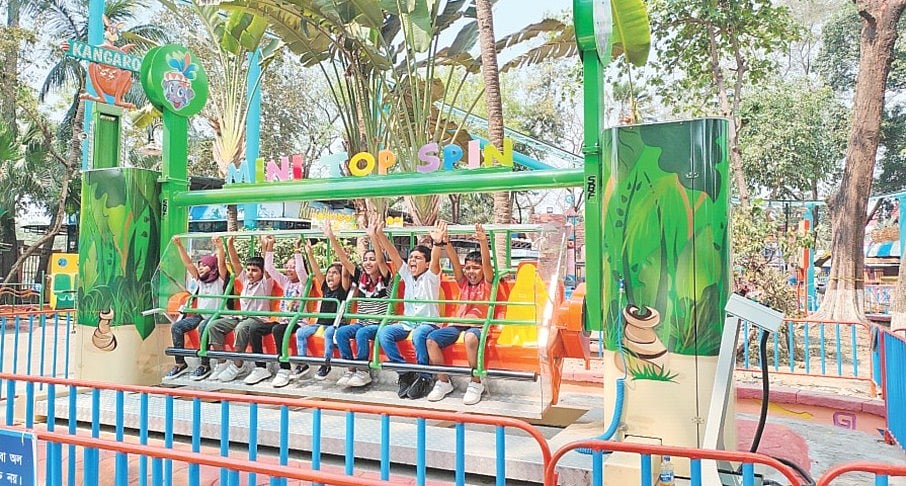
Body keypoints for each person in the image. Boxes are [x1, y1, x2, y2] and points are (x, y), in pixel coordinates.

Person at [423, 223, 494, 405]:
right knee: (431, 340)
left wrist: (483, 242)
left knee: (470, 338)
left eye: (475, 268)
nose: (471, 272)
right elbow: (455, 261)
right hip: (458, 323)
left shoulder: (487, 283)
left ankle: (476, 382)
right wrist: (444, 243)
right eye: (468, 268)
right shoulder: (463, 283)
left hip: (478, 326)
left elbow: (486, 263)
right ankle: (443, 381)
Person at [374, 221, 445, 400]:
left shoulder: (431, 277)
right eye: (411, 257)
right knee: (384, 333)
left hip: (428, 323)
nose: (412, 260)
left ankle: (424, 376)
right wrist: (380, 234)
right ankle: (404, 372)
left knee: (420, 334)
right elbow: (394, 255)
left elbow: (435, 260)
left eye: (418, 258)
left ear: (427, 263)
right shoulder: (406, 275)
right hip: (407, 323)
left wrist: (436, 243)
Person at [200, 236, 274, 383]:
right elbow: (235, 262)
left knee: (242, 328)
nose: (250, 273)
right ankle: (222, 362)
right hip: (241, 317)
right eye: (249, 270)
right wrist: (229, 244)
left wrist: (267, 246)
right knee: (213, 326)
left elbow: (268, 265)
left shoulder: (266, 284)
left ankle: (238, 363)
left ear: (261, 272)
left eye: (254, 270)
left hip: (257, 319)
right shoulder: (246, 281)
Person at [329, 221, 393, 388]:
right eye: (365, 260)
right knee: (342, 332)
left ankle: (363, 371)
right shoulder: (361, 279)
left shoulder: (385, 278)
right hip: (363, 322)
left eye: (371, 259)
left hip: (379, 324)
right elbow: (343, 259)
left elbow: (380, 261)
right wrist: (330, 236)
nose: (368, 262)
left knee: (362, 333)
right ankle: (351, 369)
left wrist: (373, 236)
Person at [164, 236, 228, 380]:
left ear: (212, 268)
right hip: (200, 314)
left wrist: (220, 246)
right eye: (199, 265)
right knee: (177, 327)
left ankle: (204, 364)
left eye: (203, 265)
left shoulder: (220, 280)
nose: (199, 268)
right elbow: (187, 264)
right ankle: (180, 363)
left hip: (215, 315)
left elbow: (222, 263)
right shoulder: (200, 280)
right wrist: (179, 245)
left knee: (203, 328)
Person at [247, 235, 308, 388]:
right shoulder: (285, 282)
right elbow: (269, 269)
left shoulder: (304, 282)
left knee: (278, 329)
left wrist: (297, 250)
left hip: (298, 322)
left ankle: (285, 368)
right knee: (255, 328)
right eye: (287, 266)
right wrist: (270, 247)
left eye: (292, 266)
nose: (289, 269)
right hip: (283, 320)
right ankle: (260, 366)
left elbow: (301, 269)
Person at [294, 233, 352, 381]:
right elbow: (316, 272)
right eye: (329, 273)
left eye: (334, 273)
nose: (330, 276)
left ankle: (326, 363)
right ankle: (302, 362)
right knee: (301, 332)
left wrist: (345, 259)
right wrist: (309, 254)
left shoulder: (343, 289)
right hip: (321, 322)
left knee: (328, 334)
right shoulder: (325, 287)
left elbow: (346, 275)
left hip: (335, 324)